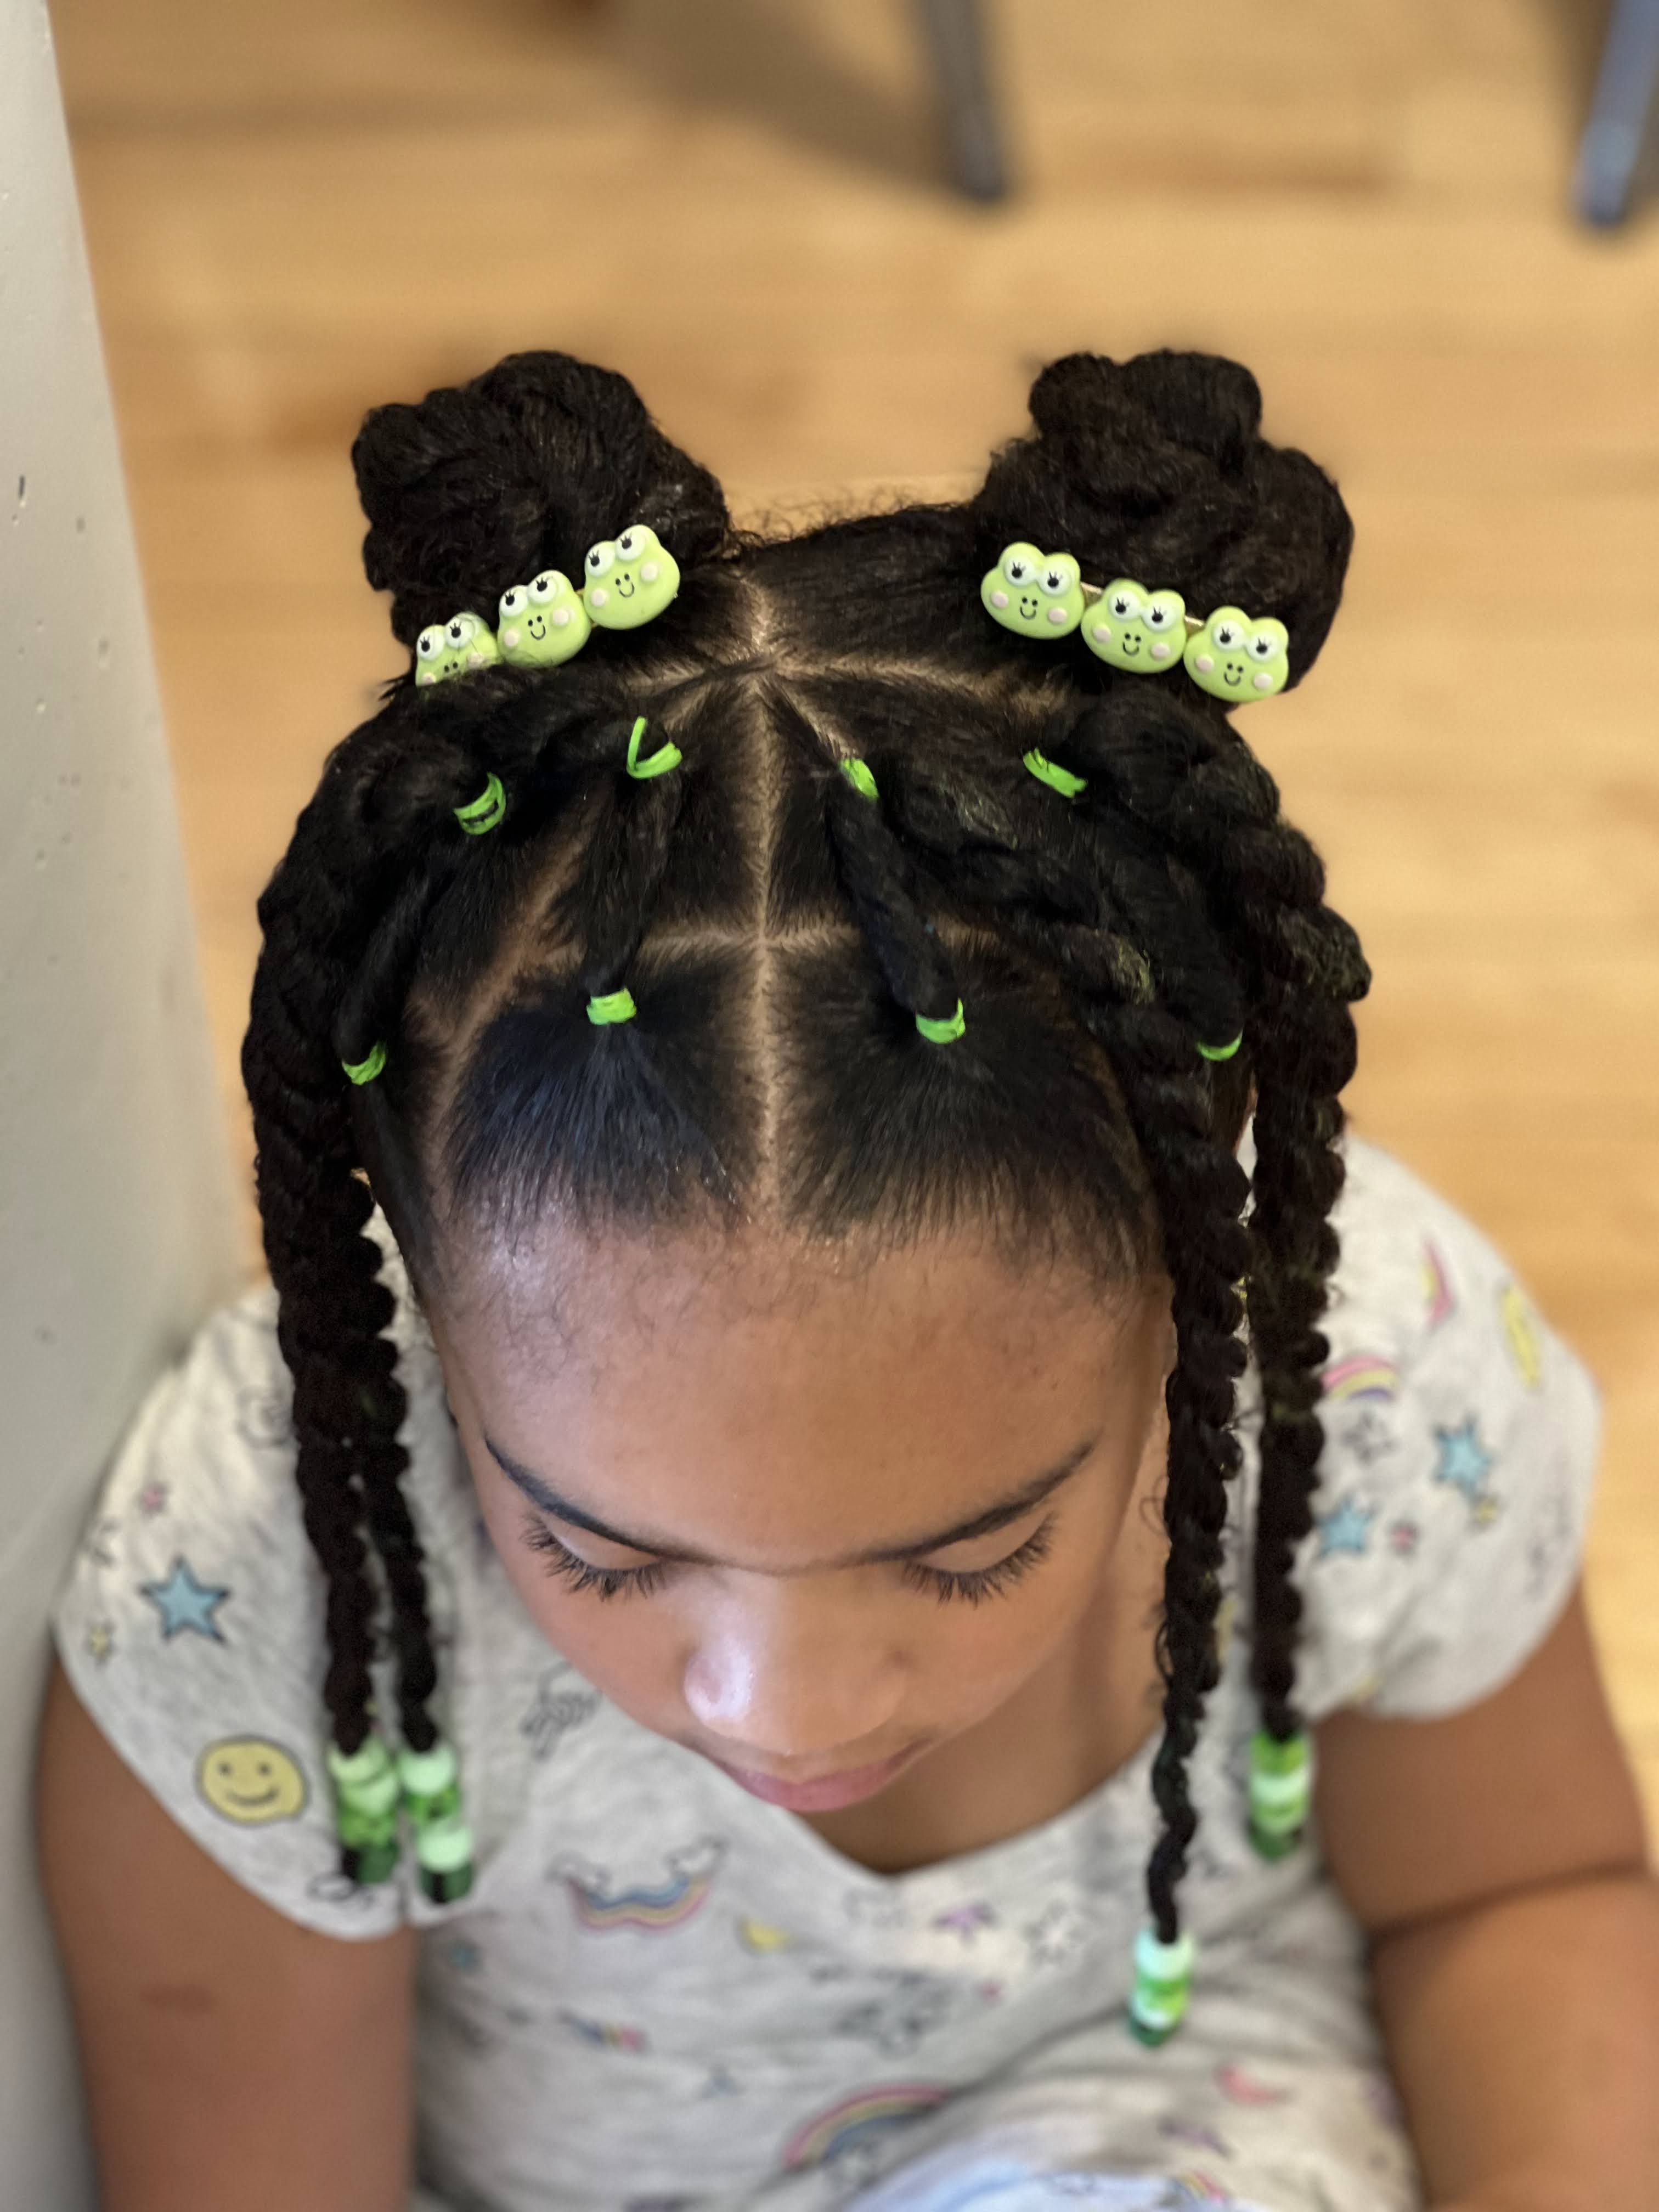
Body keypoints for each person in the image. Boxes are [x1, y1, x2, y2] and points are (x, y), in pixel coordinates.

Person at [36, 348, 1658, 2212]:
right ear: (419, 1286)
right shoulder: (265, 1573)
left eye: (972, 1555)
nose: (788, 1709)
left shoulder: (1372, 1375)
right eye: (602, 1554)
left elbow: (1519, 1895)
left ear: (1185, 1285)